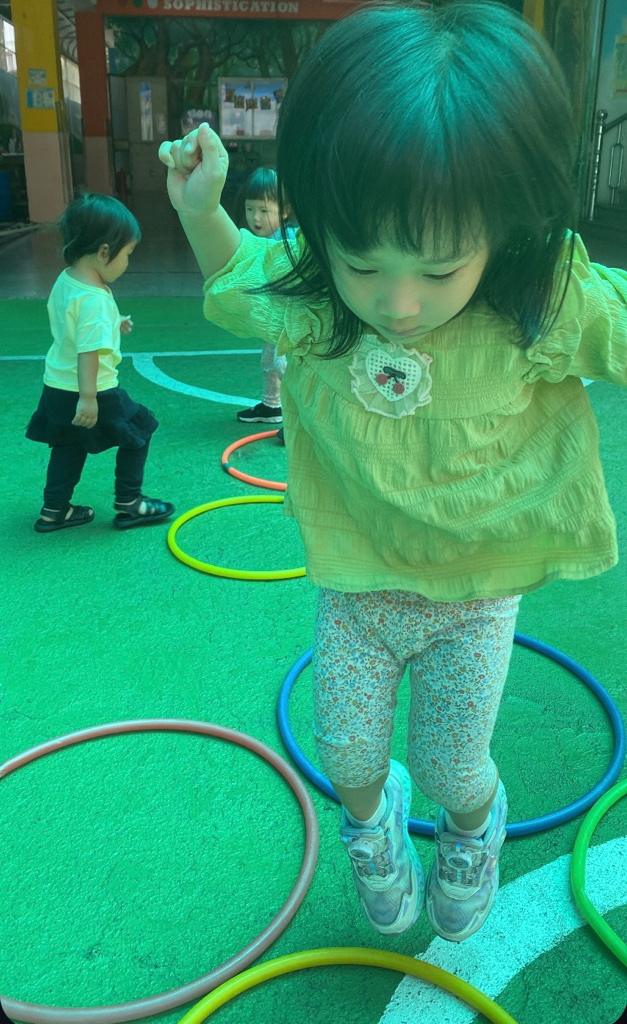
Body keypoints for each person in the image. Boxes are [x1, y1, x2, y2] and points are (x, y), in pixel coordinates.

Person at [159, 0, 627, 944]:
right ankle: (373, 832)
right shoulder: (317, 303)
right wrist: (199, 210)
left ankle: (471, 828)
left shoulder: (540, 301)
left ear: (501, 227)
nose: (398, 302)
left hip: (475, 594)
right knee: (348, 759)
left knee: (454, 767)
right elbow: (243, 280)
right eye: (362, 262)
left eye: (439, 269)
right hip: (358, 584)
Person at [26, 193, 174, 532]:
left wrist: (112, 321)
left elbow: (74, 323)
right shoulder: (94, 299)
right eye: (128, 254)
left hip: (57, 386)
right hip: (95, 389)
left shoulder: (67, 279)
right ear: (105, 252)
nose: (127, 262)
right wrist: (89, 398)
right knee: (141, 429)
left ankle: (54, 510)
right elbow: (88, 352)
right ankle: (130, 501)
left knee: (68, 445)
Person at [236, 166, 298, 442]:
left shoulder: (289, 240)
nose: (256, 218)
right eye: (250, 209)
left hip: (291, 319)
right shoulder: (259, 241)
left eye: (264, 210)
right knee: (269, 363)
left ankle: (300, 418)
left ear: (284, 211)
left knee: (284, 365)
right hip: (273, 317)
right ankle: (272, 405)